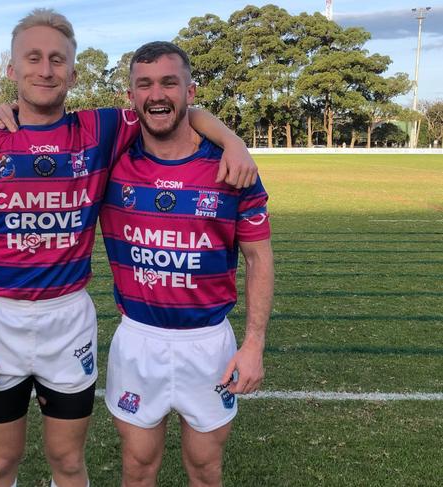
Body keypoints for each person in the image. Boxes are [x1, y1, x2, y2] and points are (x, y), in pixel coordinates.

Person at [0, 9, 257, 487]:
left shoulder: (101, 130)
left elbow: (175, 107)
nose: (45, 69)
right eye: (33, 58)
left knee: (69, 462)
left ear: (73, 71)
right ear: (11, 69)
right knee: (0, 463)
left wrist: (233, 141)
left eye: (57, 59)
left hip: (68, 321)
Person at [98, 42, 274, 486]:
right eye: (145, 84)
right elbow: (50, 125)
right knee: (137, 469)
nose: (157, 94)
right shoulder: (109, 161)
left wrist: (253, 345)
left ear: (190, 91)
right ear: (131, 97)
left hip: (208, 345)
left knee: (205, 469)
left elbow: (259, 258)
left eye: (169, 83)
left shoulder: (233, 170)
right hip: (139, 340)